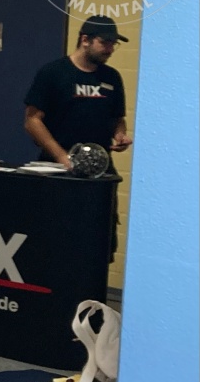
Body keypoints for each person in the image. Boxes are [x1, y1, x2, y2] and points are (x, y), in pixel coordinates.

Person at [24, 14, 133, 261]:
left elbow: (117, 118)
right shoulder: (53, 73)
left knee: (98, 247)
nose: (110, 49)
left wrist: (120, 135)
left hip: (99, 174)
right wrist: (63, 157)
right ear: (85, 40)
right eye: (105, 42)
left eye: (113, 44)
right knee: (54, 245)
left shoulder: (112, 78)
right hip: (58, 171)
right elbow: (32, 121)